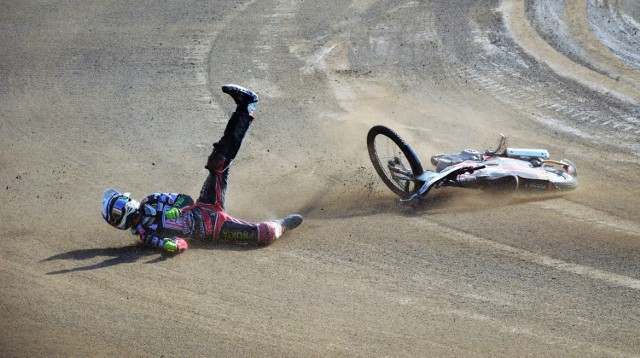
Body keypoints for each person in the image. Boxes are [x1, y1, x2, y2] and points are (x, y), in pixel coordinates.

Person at [101, 84, 303, 254]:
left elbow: (184, 199)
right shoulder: (147, 234)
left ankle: (246, 106)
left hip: (205, 206)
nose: (128, 200)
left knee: (217, 162)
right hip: (214, 228)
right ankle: (283, 224)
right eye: (123, 202)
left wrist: (175, 211)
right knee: (265, 234)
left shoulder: (151, 200)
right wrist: (173, 245)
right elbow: (177, 244)